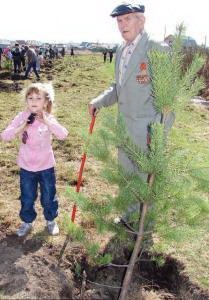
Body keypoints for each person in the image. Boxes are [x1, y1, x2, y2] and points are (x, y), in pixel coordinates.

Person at [89, 3, 174, 222]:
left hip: (147, 130)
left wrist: (159, 136)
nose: (122, 25)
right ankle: (128, 215)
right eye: (119, 21)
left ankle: (146, 224)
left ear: (141, 21)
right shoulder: (121, 49)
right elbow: (119, 86)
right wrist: (98, 101)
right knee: (126, 174)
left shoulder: (156, 48)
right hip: (124, 127)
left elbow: (168, 99)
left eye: (127, 19)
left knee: (146, 178)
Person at [0, 83, 68, 237]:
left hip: (46, 167)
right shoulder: (21, 117)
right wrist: (21, 127)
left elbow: (63, 134)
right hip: (26, 167)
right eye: (30, 97)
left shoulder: (48, 118)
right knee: (27, 196)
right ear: (26, 101)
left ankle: (51, 220)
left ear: (45, 102)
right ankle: (27, 221)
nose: (34, 101)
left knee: (48, 195)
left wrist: (47, 122)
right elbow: (5, 136)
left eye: (38, 98)